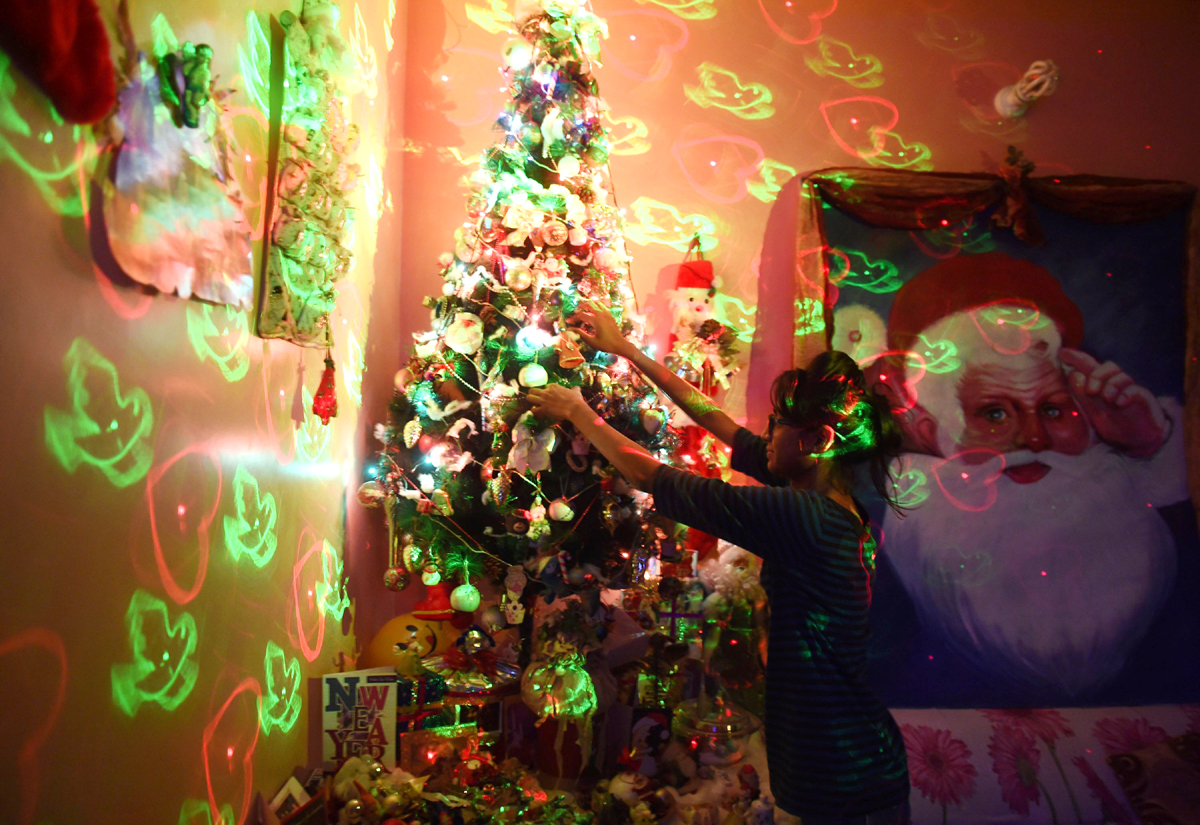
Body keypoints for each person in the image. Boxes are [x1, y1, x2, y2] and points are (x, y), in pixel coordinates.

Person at [529, 302, 911, 825]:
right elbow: (715, 421)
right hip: (847, 765)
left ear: (817, 441)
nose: (766, 432)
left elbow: (652, 476)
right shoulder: (825, 500)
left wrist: (577, 412)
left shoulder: (803, 516)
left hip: (844, 776)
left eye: (778, 424)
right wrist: (624, 350)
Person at [869, 252, 1186, 702]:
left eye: (1053, 409)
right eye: (994, 413)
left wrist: (1149, 446)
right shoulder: (893, 533)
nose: (1035, 438)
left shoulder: (1119, 488)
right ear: (929, 432)